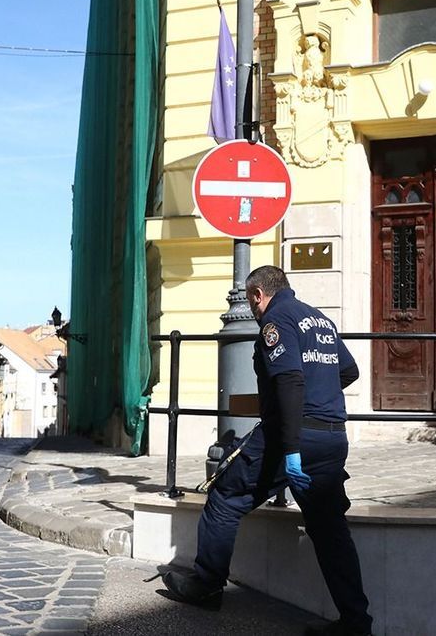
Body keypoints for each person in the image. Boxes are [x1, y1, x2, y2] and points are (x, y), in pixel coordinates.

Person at [161, 266, 373, 636]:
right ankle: (356, 623)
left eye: (250, 300)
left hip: (291, 437)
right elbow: (349, 370)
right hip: (333, 436)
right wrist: (318, 397)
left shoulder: (276, 320)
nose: (253, 309)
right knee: (330, 530)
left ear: (257, 295)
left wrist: (290, 447)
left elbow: (289, 380)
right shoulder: (319, 319)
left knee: (226, 495)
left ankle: (207, 584)